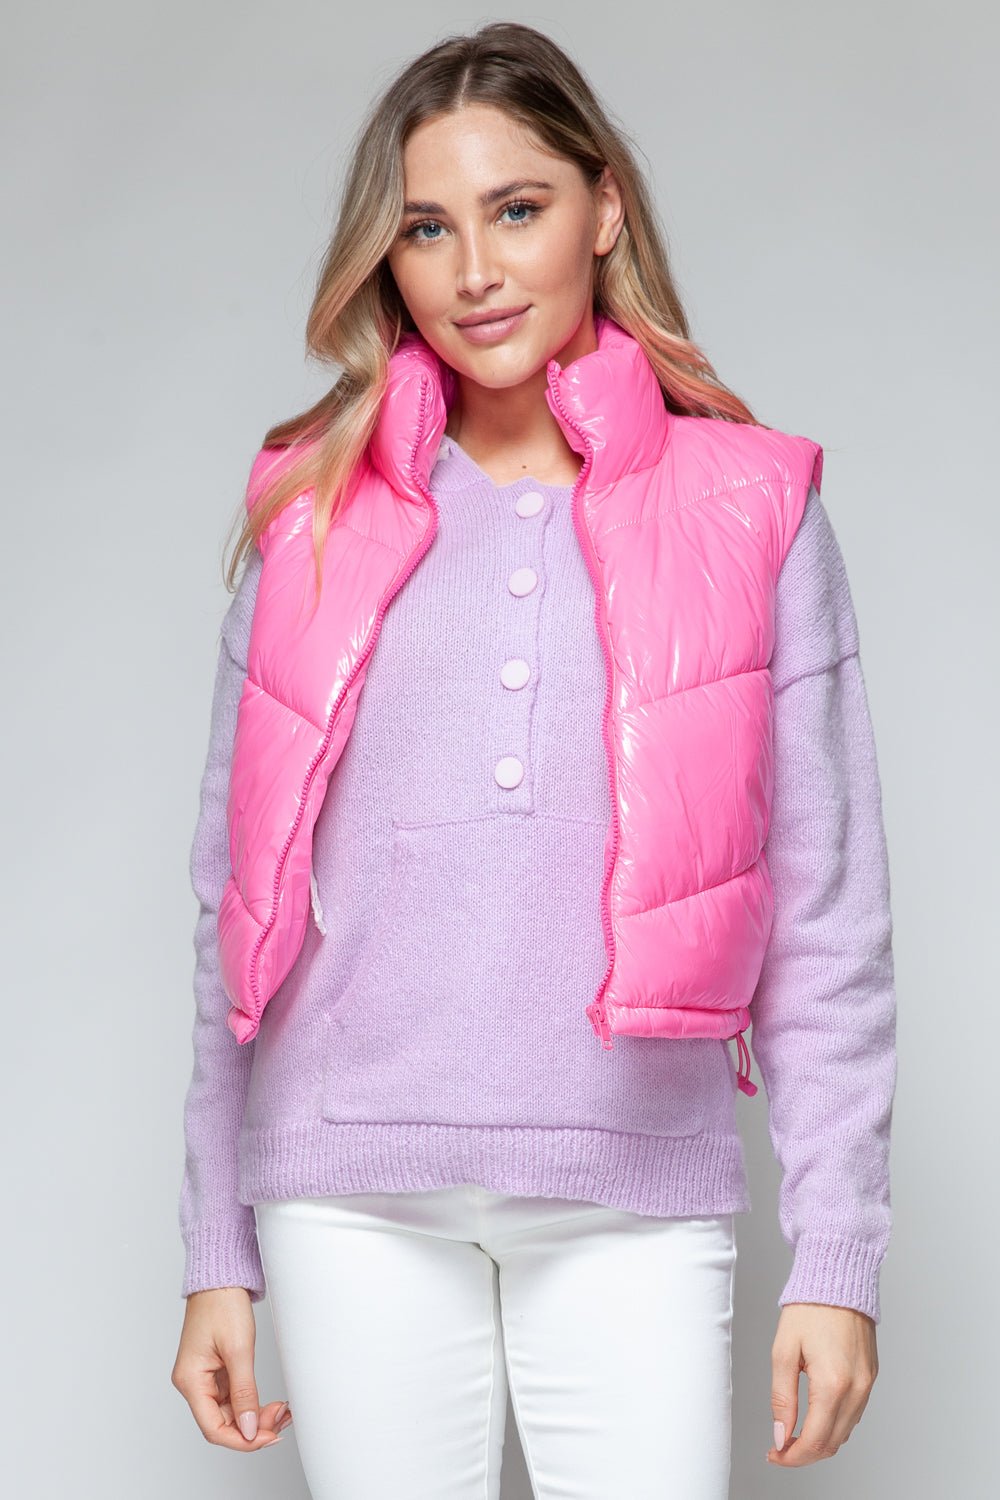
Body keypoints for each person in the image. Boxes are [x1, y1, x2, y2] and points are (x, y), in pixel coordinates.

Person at [170, 20, 897, 1499]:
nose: (475, 273)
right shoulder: (312, 513)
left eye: (517, 209)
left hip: (633, 1181)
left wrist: (839, 1256)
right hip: (350, 1185)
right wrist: (212, 1249)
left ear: (603, 208)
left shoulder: (750, 507)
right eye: (427, 228)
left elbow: (827, 916)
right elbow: (230, 909)